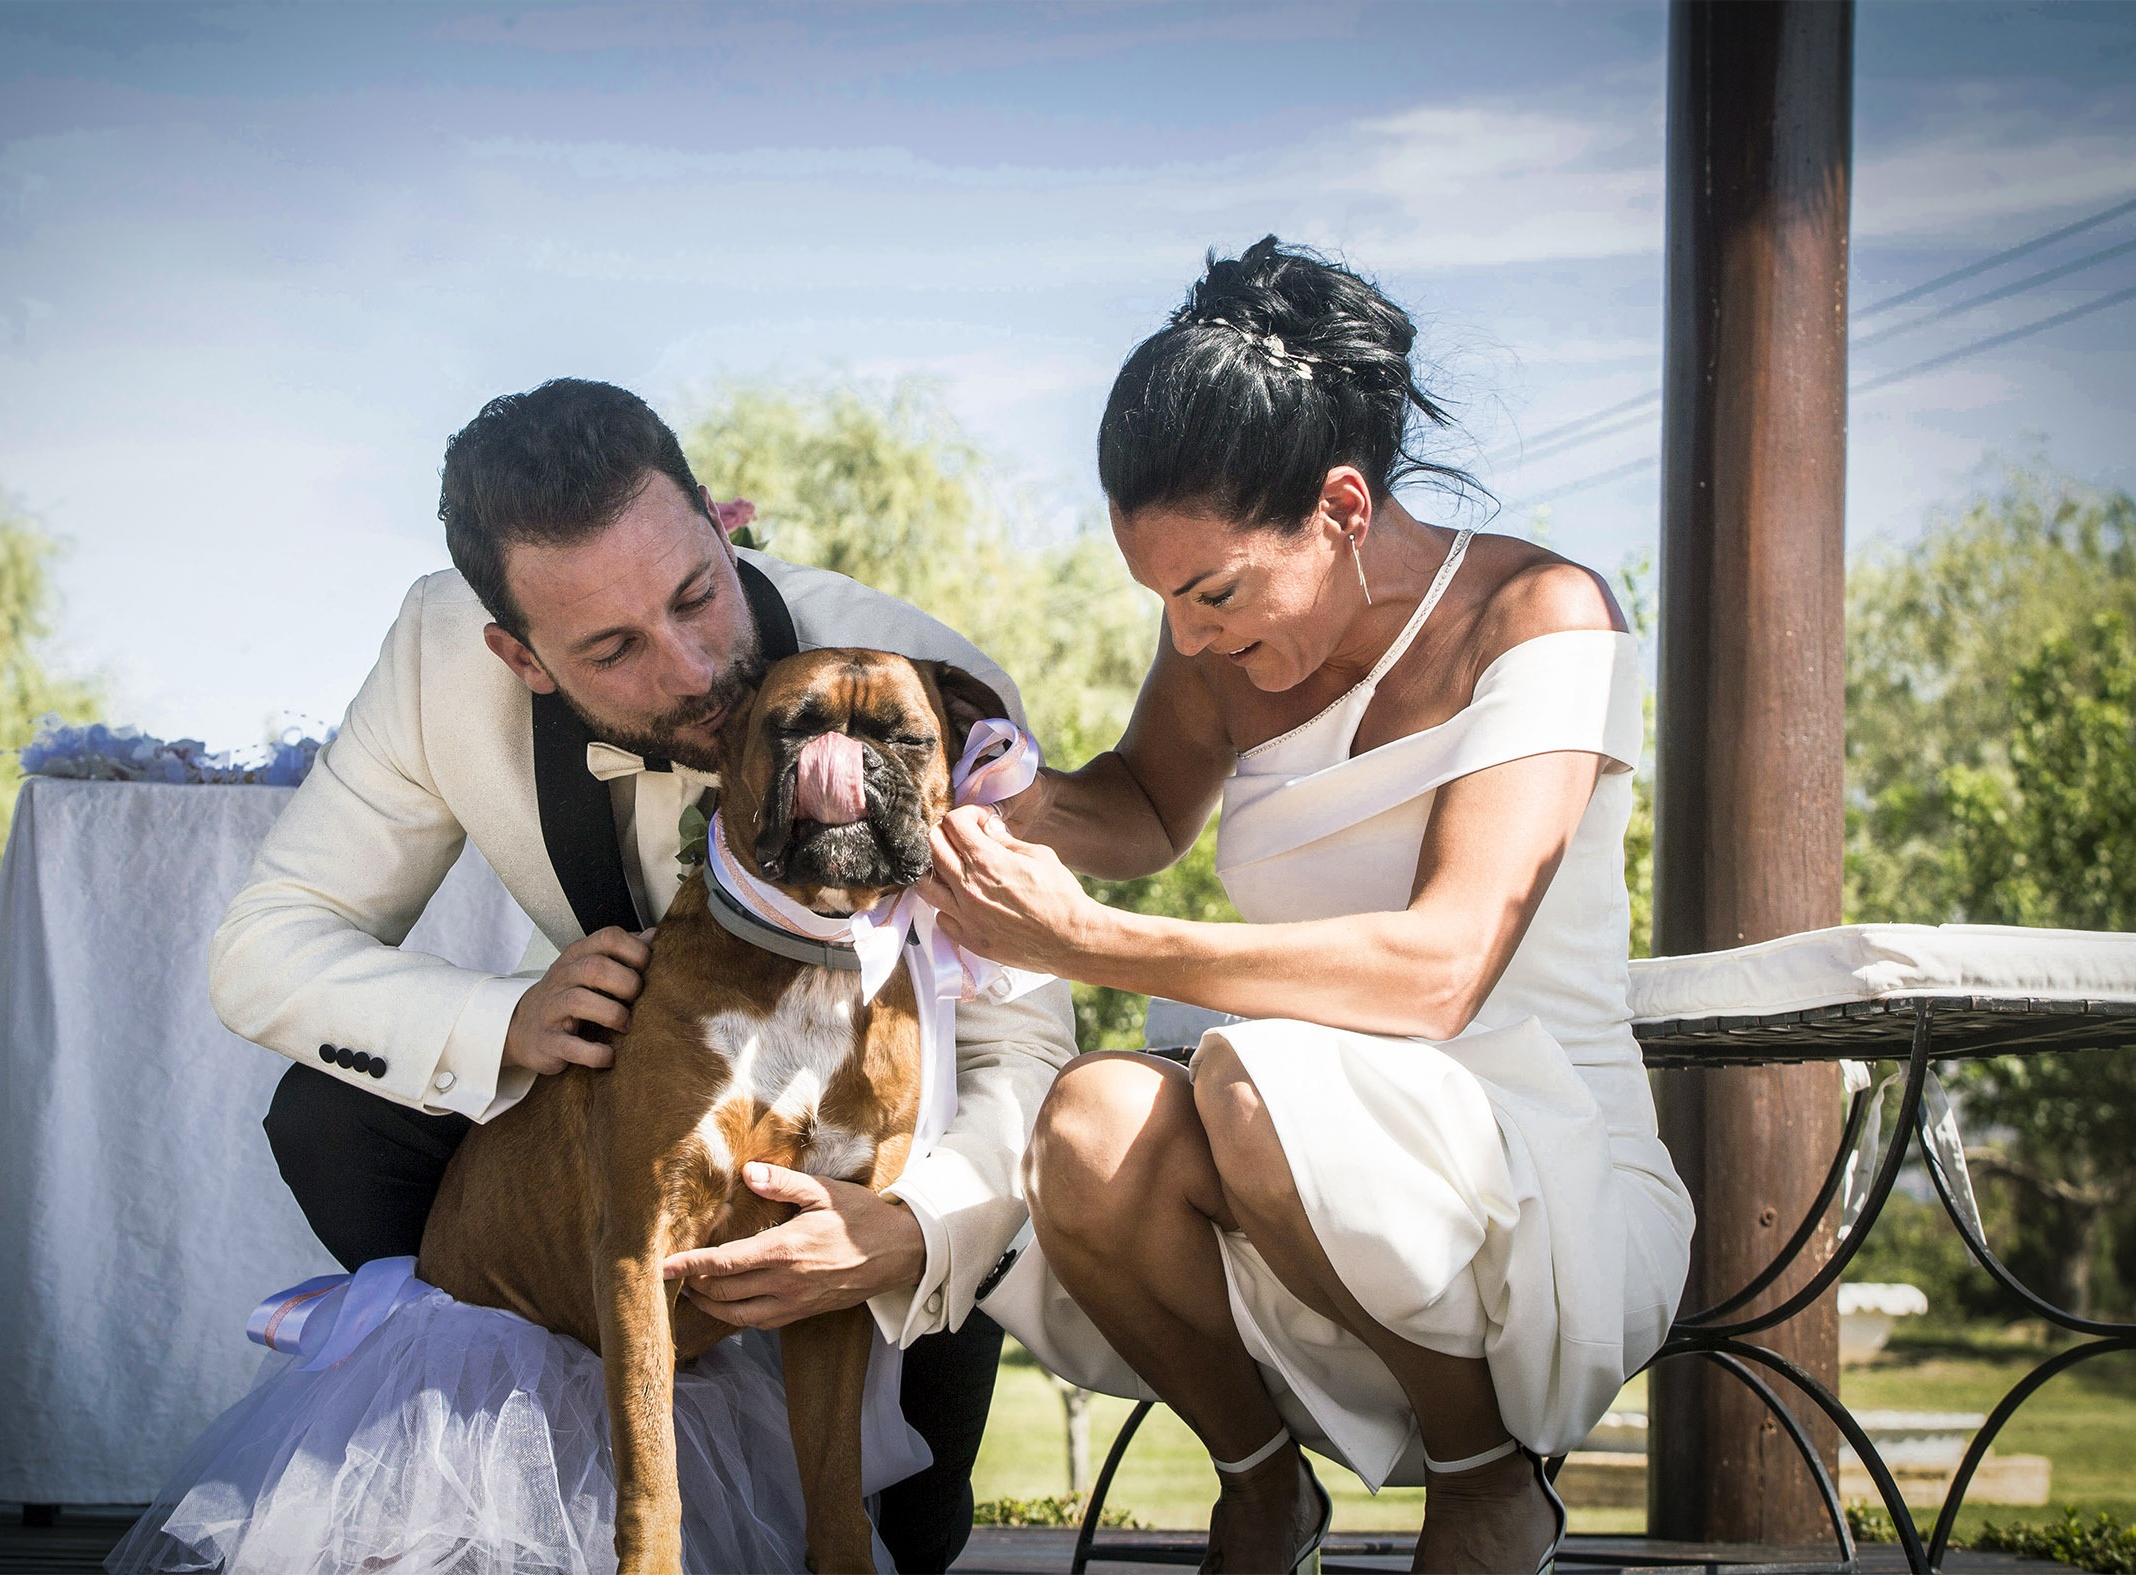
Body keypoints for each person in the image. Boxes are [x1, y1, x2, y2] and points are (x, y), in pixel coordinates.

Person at [206, 378, 1076, 1572]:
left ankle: (864, 1472)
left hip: (863, 1146)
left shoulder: (919, 690)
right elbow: (264, 945)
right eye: (612, 647)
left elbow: (1023, 1044)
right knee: (331, 1114)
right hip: (608, 1142)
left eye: (694, 596)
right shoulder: (437, 657)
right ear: (517, 653)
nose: (691, 669)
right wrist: (504, 1017)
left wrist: (915, 1234)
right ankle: (477, 1479)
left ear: (723, 525)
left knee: (901, 1530)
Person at [933, 238, 1694, 1575]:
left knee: (1245, 1078)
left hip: (1527, 1145)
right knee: (1089, 1117)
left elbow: (1440, 969)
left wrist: (1092, 940)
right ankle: (1259, 1478)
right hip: (1272, 1138)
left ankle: (1482, 1468)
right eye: (1161, 598)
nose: (1187, 637)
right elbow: (1144, 809)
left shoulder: (1538, 612)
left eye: (1211, 590)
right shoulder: (1227, 648)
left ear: (1341, 505)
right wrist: (1006, 792)